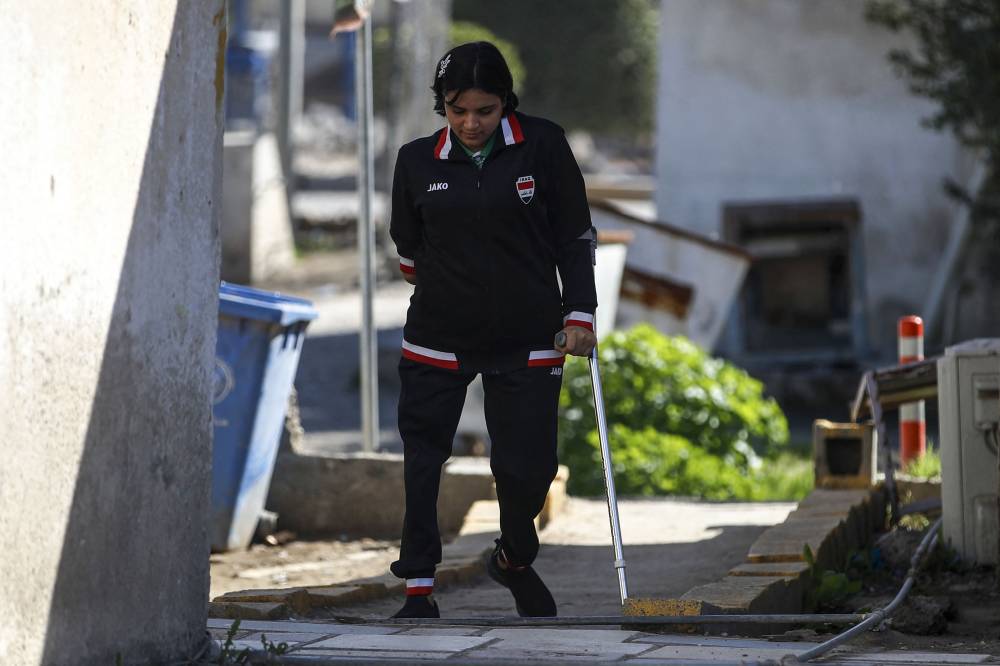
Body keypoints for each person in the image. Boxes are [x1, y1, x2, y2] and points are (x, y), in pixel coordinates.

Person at [387, 41, 597, 619]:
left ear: (506, 102)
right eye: (458, 111)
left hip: (529, 333)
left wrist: (580, 312)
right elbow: (408, 249)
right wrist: (452, 283)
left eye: (485, 110)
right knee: (423, 458)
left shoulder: (544, 145)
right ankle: (418, 587)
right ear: (443, 106)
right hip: (437, 335)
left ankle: (513, 557)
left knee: (529, 468)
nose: (471, 123)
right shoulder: (415, 161)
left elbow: (574, 234)